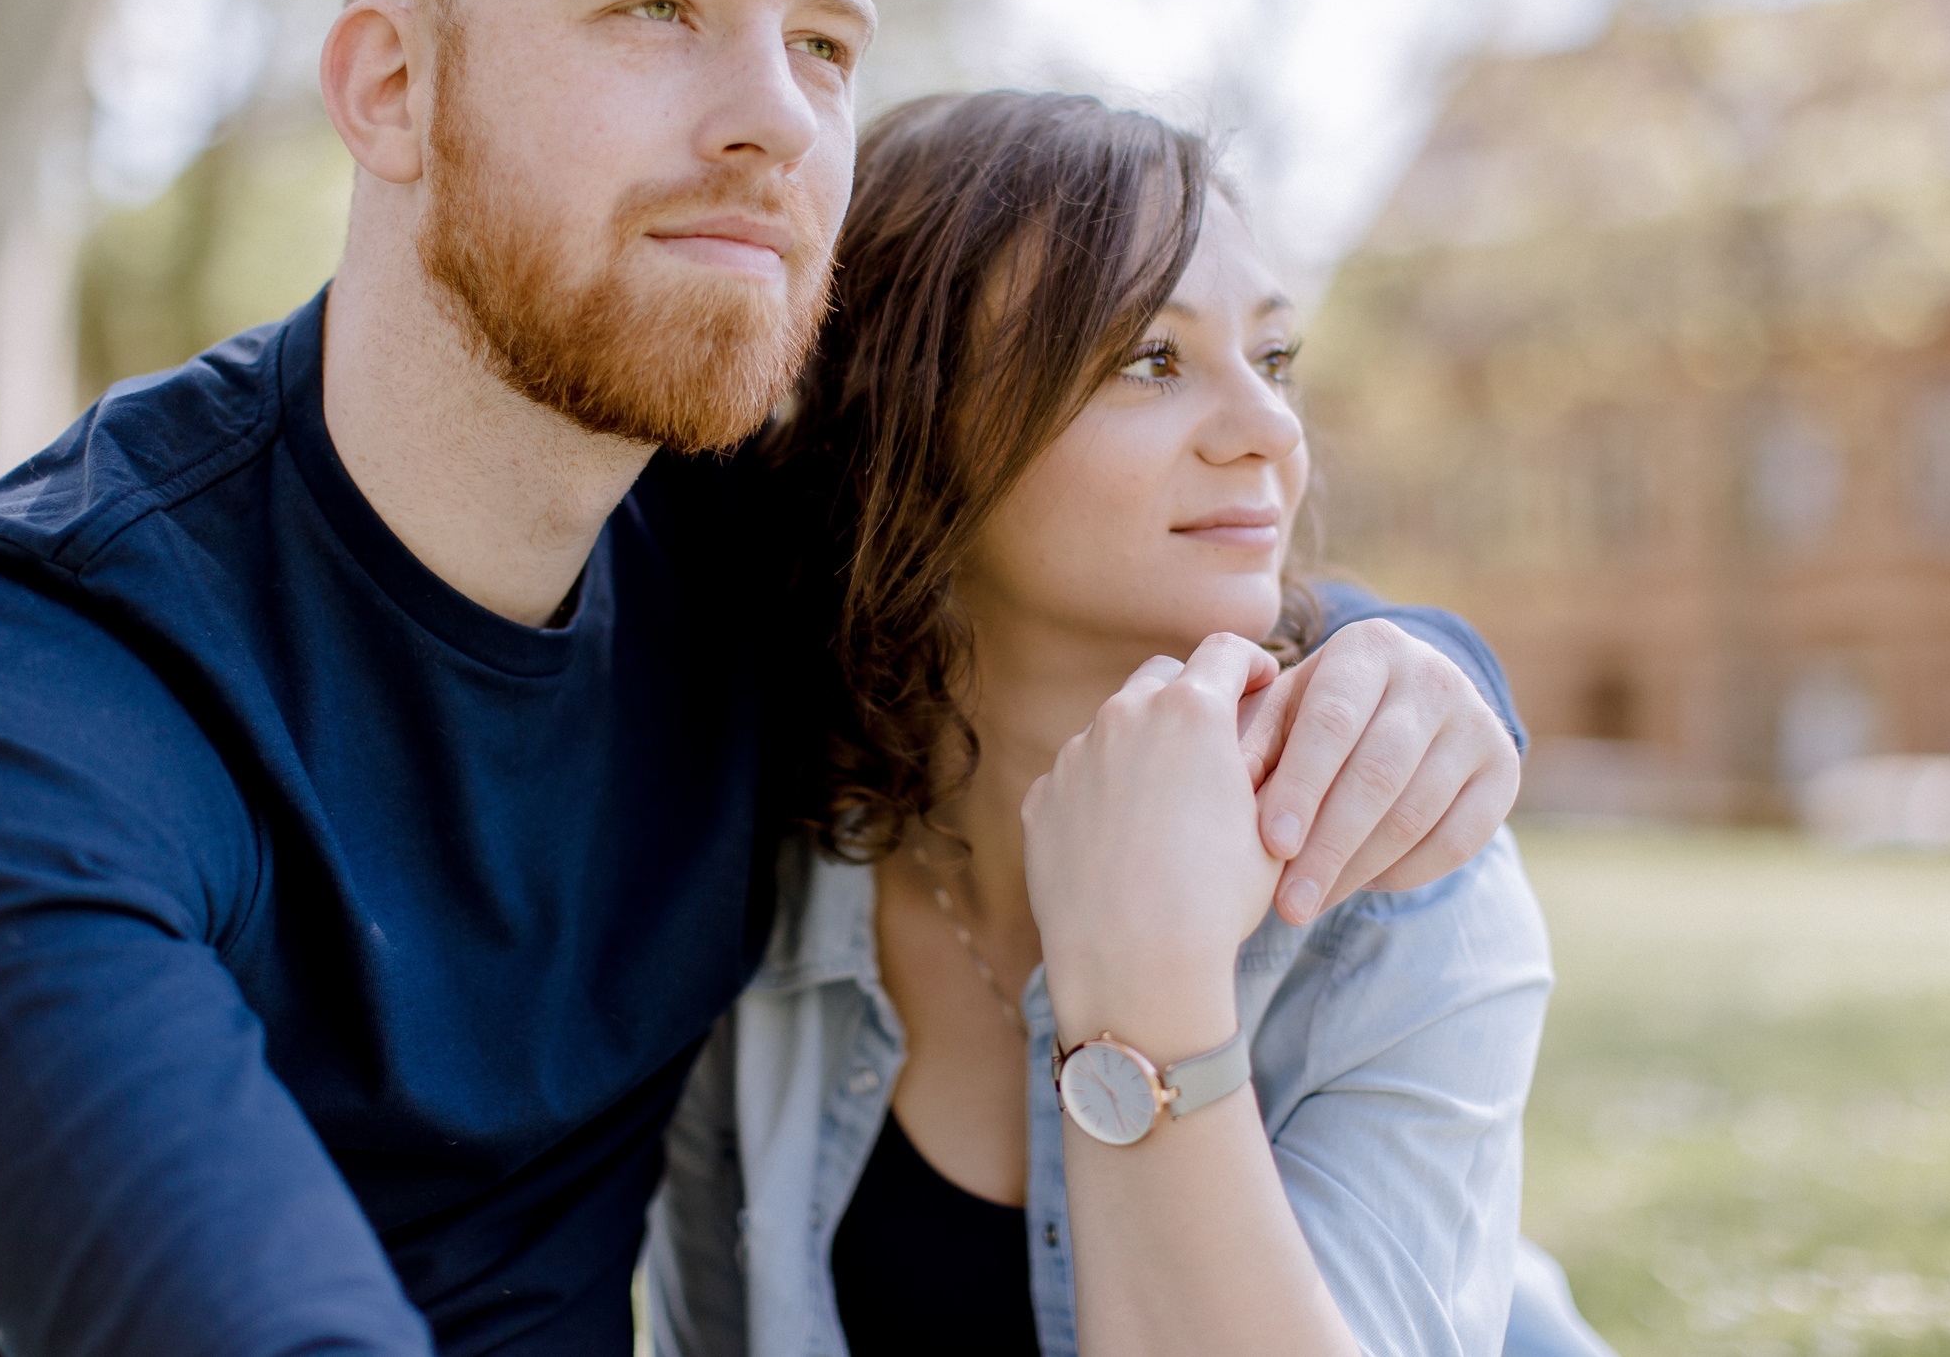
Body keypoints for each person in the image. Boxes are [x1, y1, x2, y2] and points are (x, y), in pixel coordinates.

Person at [0, 0, 1527, 1357]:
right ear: (389, 89)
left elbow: (1077, 534)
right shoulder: (10, 696)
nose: (775, 119)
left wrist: (1420, 669)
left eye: (826, 46)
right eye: (658, 9)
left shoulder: (720, 553)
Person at [646, 92, 1617, 1357]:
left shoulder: (1390, 870)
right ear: (907, 420)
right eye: (1148, 359)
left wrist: (1142, 996)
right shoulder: (761, 857)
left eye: (1273, 359)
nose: (1270, 428)